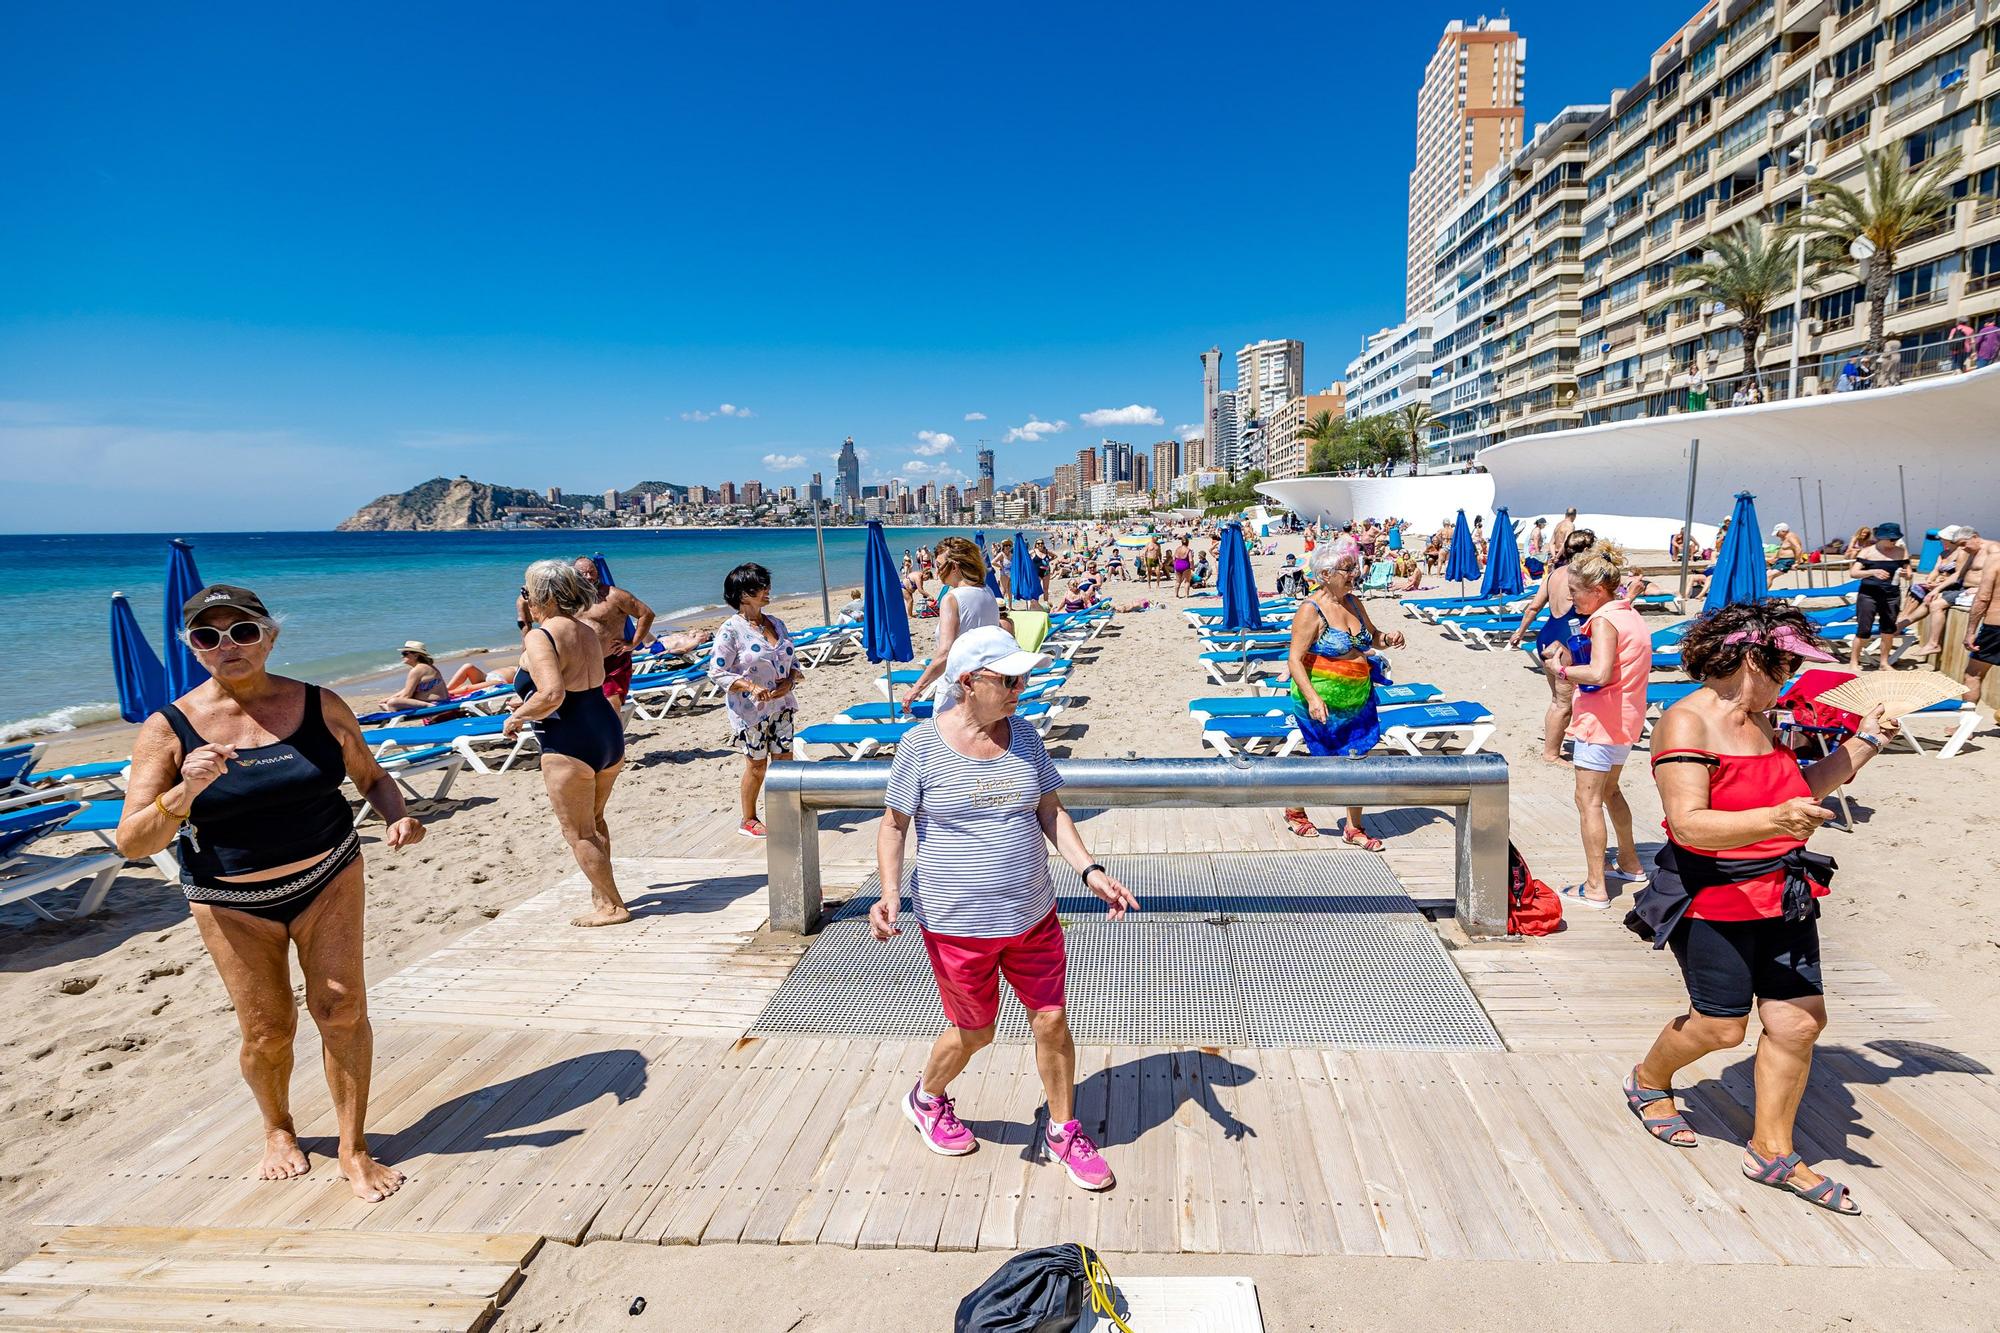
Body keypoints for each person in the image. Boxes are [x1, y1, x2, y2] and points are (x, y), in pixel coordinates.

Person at [116, 584, 423, 1202]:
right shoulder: (168, 728)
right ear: (193, 649)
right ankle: (278, 1129)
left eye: (243, 631)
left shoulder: (320, 704)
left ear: (270, 637)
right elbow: (132, 841)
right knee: (267, 1030)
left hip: (328, 879)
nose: (227, 645)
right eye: (209, 636)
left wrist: (397, 814)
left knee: (341, 1009)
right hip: (232, 904)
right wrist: (184, 792)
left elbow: (372, 776)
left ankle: (353, 1147)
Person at [1625, 602, 1901, 1218]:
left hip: (1785, 893)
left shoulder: (1763, 718)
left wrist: (1868, 743)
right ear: (1751, 658)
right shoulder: (1685, 723)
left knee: (1799, 1024)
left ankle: (1771, 1150)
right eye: (1785, 663)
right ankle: (1647, 1080)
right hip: (1713, 897)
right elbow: (1691, 826)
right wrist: (1773, 820)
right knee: (1722, 1027)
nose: (1792, 676)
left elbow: (1796, 791)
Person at [872, 626, 1137, 1191]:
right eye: (1010, 679)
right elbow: (894, 827)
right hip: (956, 925)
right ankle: (926, 1098)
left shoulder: (1026, 738)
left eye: (1025, 677)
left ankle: (1064, 1129)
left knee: (1052, 1020)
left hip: (1033, 916)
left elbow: (1052, 813)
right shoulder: (920, 748)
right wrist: (890, 892)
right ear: (969, 682)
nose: (1023, 687)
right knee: (976, 1032)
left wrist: (1089, 869)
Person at [505, 561, 631, 927]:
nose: (523, 599)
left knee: (577, 831)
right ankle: (601, 896)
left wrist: (517, 716)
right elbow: (575, 679)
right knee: (594, 820)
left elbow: (553, 694)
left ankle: (612, 907)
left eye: (526, 592)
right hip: (605, 730)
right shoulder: (586, 629)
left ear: (540, 595)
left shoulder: (541, 636)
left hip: (568, 737)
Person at [1280, 547, 1407, 846]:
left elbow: (1372, 637)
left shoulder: (1353, 601)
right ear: (1325, 576)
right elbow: (1294, 659)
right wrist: (1312, 698)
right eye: (1347, 570)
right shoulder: (1310, 610)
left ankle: (1354, 827)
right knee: (1324, 761)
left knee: (1358, 757)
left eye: (1354, 568)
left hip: (1358, 697)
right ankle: (1295, 809)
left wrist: (1388, 639)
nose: (1355, 574)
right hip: (1321, 699)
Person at [1551, 543, 1651, 906]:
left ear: (1596, 591)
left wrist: (1561, 670)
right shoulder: (1629, 614)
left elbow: (1599, 672)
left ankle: (1595, 887)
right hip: (1625, 719)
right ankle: (1630, 861)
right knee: (1610, 792)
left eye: (1575, 592)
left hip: (1601, 721)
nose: (1572, 599)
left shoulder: (1605, 620)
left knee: (1588, 800)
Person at [707, 562, 801, 839]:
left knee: (784, 760)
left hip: (782, 706)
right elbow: (718, 672)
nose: (767, 590)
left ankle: (785, 814)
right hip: (751, 711)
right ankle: (748, 819)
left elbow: (792, 662)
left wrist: (790, 680)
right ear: (742, 594)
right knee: (757, 764)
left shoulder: (777, 623)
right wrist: (749, 686)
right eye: (759, 586)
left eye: (766, 584)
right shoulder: (731, 630)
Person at [1508, 529, 1597, 763]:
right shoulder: (1583, 578)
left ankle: (1553, 746)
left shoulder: (1554, 574)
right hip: (1567, 641)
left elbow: (1533, 608)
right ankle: (1551, 754)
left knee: (1557, 700)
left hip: (1547, 636)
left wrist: (1520, 632)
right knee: (1564, 704)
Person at [903, 537, 1005, 713]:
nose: (936, 572)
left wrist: (915, 689)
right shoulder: (987, 592)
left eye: (940, 565)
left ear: (955, 567)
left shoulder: (952, 599)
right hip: (983, 686)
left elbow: (945, 654)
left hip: (956, 688)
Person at [573, 557, 654, 705]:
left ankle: (615, 729)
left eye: (592, 572)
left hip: (613, 661)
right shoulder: (569, 600)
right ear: (574, 576)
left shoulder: (614, 596)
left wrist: (633, 643)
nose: (589, 577)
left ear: (598, 573)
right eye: (583, 574)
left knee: (612, 703)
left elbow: (646, 614)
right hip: (581, 664)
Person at [1848, 522, 1909, 672]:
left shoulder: (1901, 552)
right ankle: (1854, 661)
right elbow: (1854, 573)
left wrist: (1905, 574)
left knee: (1888, 630)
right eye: (1890, 539)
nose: (1893, 542)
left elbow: (1909, 574)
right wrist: (1872, 572)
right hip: (1869, 594)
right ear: (1880, 538)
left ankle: (1884, 663)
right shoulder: (1867, 552)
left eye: (1895, 539)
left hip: (1891, 595)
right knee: (1864, 630)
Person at [1960, 551, 2000, 705]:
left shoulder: (1996, 558)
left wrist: (1970, 632)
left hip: (1996, 626)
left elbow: (1983, 597)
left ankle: (1965, 726)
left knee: (1973, 675)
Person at [378, 641, 448, 713]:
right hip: (443, 701)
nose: (402, 656)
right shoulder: (428, 666)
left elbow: (406, 696)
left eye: (405, 654)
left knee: (393, 703)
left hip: (434, 703)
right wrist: (389, 698)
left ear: (416, 655)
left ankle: (427, 705)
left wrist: (390, 702)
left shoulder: (417, 670)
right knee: (391, 701)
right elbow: (408, 689)